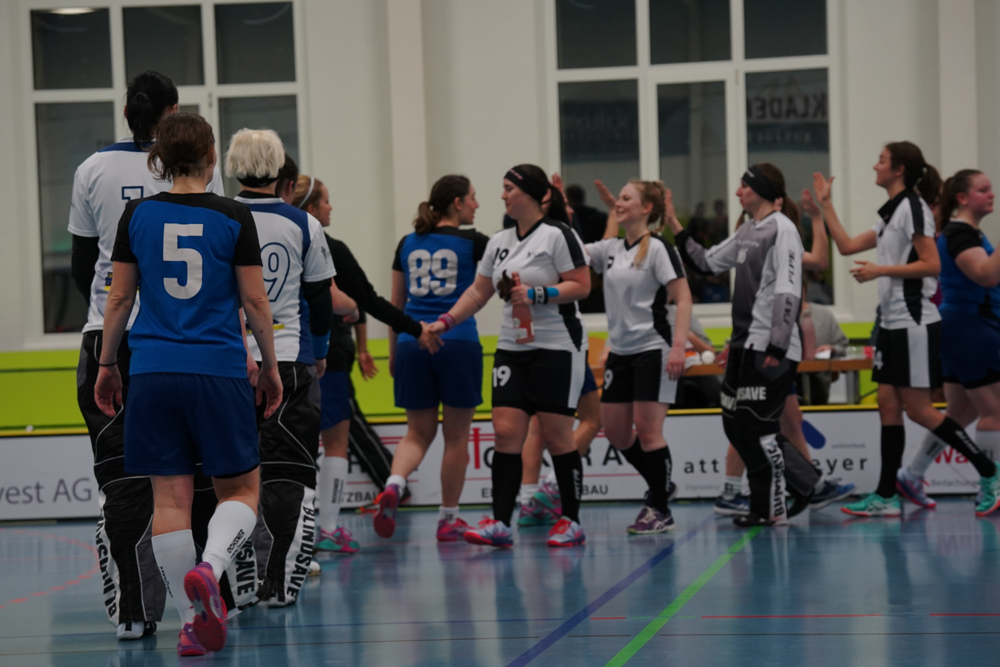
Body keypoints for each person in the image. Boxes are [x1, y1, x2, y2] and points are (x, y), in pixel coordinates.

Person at [94, 112, 282, 657]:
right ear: (211, 155)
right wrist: (269, 364)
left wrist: (107, 364)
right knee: (241, 490)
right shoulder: (233, 215)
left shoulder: (137, 215)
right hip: (217, 369)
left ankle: (191, 624)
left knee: (169, 500)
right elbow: (254, 300)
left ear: (160, 160)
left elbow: (119, 298)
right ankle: (211, 566)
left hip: (152, 370)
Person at [68, 71, 226, 641]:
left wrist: (109, 326)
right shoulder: (200, 167)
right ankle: (208, 604)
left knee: (123, 482)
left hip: (108, 336)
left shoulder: (92, 169)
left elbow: (83, 266)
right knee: (195, 480)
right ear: (175, 113)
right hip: (181, 337)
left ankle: (134, 613)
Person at [814, 142, 1000, 517]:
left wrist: (880, 271)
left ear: (899, 169)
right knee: (887, 405)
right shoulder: (892, 212)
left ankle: (990, 473)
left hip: (913, 322)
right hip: (891, 323)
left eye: (881, 160)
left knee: (919, 410)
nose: (875, 166)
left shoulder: (914, 208)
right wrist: (825, 205)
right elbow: (847, 246)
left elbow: (931, 265)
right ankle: (886, 496)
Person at [428, 164, 591, 547]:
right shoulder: (499, 241)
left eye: (508, 188)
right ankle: (500, 522)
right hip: (512, 347)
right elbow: (478, 291)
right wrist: (445, 322)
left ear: (533, 194)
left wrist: (537, 294)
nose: (502, 196)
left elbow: (582, 285)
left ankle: (571, 520)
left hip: (556, 346)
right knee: (504, 433)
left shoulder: (558, 235)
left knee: (556, 436)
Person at [227, 129, 357, 607]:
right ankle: (281, 583)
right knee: (292, 475)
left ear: (233, 167)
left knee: (233, 476)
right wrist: (319, 351)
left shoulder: (219, 216)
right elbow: (320, 297)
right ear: (281, 169)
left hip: (230, 363)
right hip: (290, 360)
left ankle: (237, 581)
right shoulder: (303, 223)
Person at [290, 174, 441, 550]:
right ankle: (327, 530)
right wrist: (415, 328)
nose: (331, 207)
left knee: (289, 446)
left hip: (277, 353)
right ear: (312, 208)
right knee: (335, 443)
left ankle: (291, 537)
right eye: (326, 201)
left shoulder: (268, 238)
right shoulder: (329, 247)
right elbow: (366, 301)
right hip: (326, 356)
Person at [669, 163, 804, 527]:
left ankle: (773, 507)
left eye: (743, 186)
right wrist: (675, 225)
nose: (737, 192)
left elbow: (789, 288)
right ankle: (800, 488)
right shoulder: (747, 230)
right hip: (744, 344)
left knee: (754, 427)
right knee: (736, 425)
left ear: (761, 191)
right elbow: (706, 262)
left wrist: (777, 345)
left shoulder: (783, 229)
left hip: (769, 346)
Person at [712, 186, 854, 517]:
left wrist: (817, 215)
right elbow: (752, 302)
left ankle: (812, 485)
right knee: (751, 422)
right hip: (762, 348)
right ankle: (733, 490)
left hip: (773, 346)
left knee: (787, 419)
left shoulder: (779, 241)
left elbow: (817, 261)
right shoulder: (760, 240)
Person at [366, 175, 488, 542]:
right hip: (456, 341)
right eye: (472, 198)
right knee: (457, 436)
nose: (476, 204)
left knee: (416, 432)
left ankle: (394, 483)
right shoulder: (475, 242)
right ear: (457, 203)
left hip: (411, 343)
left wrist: (393, 351)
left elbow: (396, 303)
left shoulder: (407, 243)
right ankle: (448, 518)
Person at [585, 179, 692, 533]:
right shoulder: (611, 248)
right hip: (620, 353)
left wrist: (679, 348)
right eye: (618, 197)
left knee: (649, 433)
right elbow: (571, 253)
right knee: (616, 434)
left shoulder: (660, 249)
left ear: (646, 208)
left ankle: (659, 509)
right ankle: (661, 485)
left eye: (626, 198)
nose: (619, 202)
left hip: (652, 349)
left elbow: (684, 298)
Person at [895, 169, 1000, 515]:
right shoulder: (959, 234)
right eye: (983, 189)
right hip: (970, 329)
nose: (991, 194)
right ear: (962, 198)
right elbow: (986, 275)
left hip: (961, 328)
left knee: (960, 413)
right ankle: (991, 485)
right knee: (995, 412)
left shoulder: (967, 234)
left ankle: (912, 474)